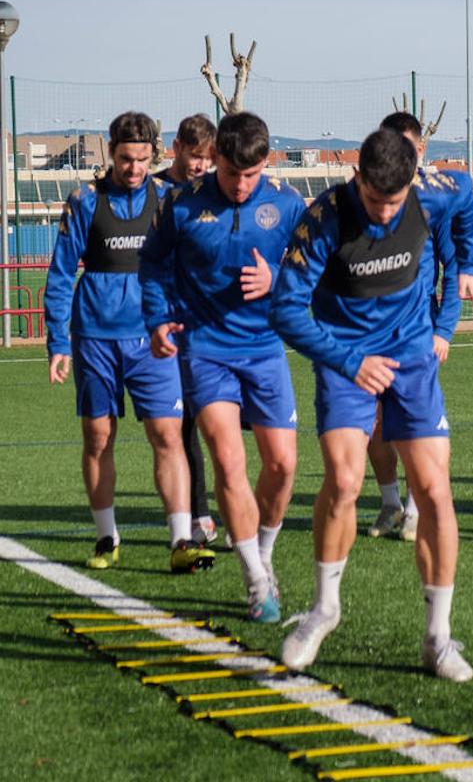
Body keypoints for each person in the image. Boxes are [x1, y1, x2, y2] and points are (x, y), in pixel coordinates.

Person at [270, 128, 473, 681]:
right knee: (343, 480)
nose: (384, 214)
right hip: (345, 356)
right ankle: (323, 609)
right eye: (374, 199)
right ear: (356, 177)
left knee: (434, 489)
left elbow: (467, 202)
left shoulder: (437, 191)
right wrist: (349, 361)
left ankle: (438, 637)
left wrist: (469, 271)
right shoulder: (323, 218)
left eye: (395, 200)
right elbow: (286, 310)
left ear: (412, 182)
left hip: (411, 355)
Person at [140, 111, 306, 622]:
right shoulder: (182, 206)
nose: (241, 185)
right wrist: (158, 319)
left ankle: (264, 553)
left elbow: (313, 268)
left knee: (282, 466)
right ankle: (257, 580)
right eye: (233, 173)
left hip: (266, 349)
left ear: (267, 162)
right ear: (215, 160)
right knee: (229, 462)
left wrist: (276, 279)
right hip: (205, 350)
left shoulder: (287, 203)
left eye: (251, 175)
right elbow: (151, 265)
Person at [44, 111, 214, 573]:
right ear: (110, 151)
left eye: (142, 159)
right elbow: (60, 275)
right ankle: (106, 537)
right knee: (98, 437)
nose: (134, 168)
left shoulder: (171, 200)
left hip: (153, 340)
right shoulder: (83, 202)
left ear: (155, 153)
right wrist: (57, 342)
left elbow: (195, 265)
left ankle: (181, 540)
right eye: (125, 159)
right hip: (95, 338)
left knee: (168, 434)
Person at [364, 111, 473, 543]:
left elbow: (455, 267)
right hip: (369, 331)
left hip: (418, 330)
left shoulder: (434, 202)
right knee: (375, 424)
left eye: (410, 149)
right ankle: (390, 504)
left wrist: (444, 330)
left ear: (421, 150)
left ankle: (416, 510)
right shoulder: (368, 196)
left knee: (415, 423)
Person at [153, 113, 218, 546]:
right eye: (194, 157)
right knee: (179, 425)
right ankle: (198, 513)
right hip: (165, 323)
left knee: (217, 421)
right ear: (176, 147)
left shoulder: (210, 193)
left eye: (206, 159)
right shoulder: (155, 191)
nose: (199, 166)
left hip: (207, 322)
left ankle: (219, 509)